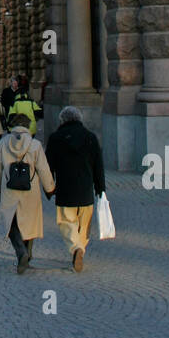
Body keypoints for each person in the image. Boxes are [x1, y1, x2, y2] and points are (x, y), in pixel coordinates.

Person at [45, 106, 106, 274]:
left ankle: (76, 248)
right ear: (79, 119)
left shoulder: (55, 138)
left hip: (65, 190)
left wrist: (49, 188)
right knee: (84, 225)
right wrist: (100, 188)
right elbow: (98, 166)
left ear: (62, 120)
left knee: (67, 222)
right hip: (86, 190)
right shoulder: (91, 138)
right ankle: (80, 249)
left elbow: (48, 166)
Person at [0, 113, 55, 274]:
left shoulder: (3, 143)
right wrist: (50, 188)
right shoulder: (35, 145)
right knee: (30, 220)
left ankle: (21, 252)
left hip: (10, 189)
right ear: (27, 126)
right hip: (30, 190)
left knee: (12, 222)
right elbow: (43, 169)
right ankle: (27, 252)